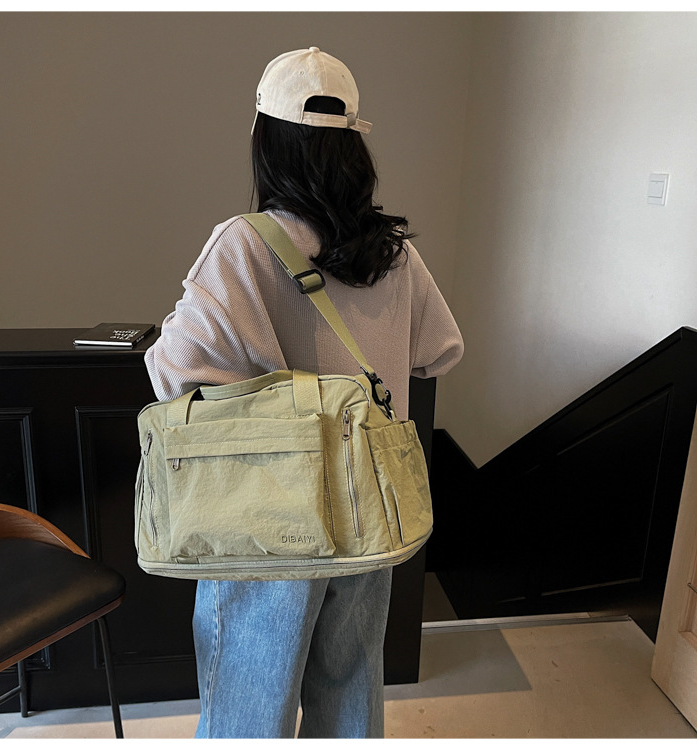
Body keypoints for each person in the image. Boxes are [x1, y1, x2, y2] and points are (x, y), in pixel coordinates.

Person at [144, 46, 464, 739]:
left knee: (246, 711)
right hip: (365, 507)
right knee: (350, 695)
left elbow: (174, 370)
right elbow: (440, 350)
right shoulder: (391, 250)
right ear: (353, 145)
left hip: (267, 513)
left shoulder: (243, 245)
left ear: (266, 141)